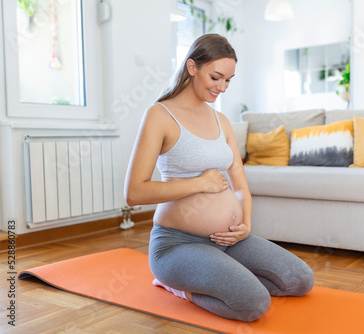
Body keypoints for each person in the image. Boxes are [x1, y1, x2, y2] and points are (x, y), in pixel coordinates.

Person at [124, 33, 314, 323]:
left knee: (300, 280)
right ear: (192, 67)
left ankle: (223, 273)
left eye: (229, 80)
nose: (222, 87)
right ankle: (177, 286)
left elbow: (240, 184)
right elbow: (134, 193)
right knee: (253, 304)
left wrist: (246, 223)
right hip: (178, 244)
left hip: (230, 240)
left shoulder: (221, 121)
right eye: (216, 77)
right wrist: (200, 184)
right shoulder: (159, 115)